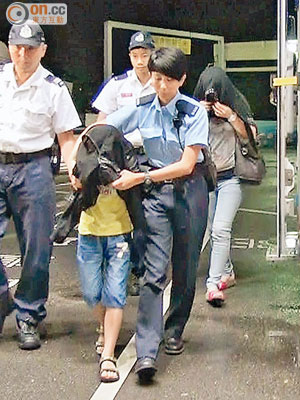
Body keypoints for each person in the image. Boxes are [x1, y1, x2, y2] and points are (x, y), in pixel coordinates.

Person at [103, 47, 209, 381]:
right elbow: (105, 126)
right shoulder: (142, 107)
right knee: (152, 270)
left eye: (168, 80)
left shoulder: (194, 112)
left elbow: (187, 164)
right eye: (156, 78)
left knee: (185, 265)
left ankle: (175, 327)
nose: (161, 86)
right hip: (155, 196)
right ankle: (147, 351)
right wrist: (88, 154)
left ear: (182, 80)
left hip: (189, 191)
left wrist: (141, 177)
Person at [0, 20, 81, 350]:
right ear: (9, 47)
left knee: (36, 248)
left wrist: (75, 168)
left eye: (31, 48)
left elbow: (67, 138)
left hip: (33, 169)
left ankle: (29, 315)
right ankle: (4, 298)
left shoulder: (54, 88)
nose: (23, 53)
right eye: (17, 46)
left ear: (43, 50)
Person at [91, 31, 155, 353]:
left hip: (149, 157)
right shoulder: (118, 85)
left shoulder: (159, 81)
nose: (139, 58)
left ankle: (139, 269)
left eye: (144, 52)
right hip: (120, 157)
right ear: (129, 56)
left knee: (142, 215)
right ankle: (123, 267)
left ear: (152, 54)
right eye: (135, 53)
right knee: (118, 215)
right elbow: (103, 121)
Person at [193, 65, 257, 307]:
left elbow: (250, 140)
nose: (213, 98)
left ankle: (213, 285)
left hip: (231, 179)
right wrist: (197, 113)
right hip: (206, 181)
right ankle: (227, 272)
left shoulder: (237, 105)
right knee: (212, 230)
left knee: (220, 229)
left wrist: (231, 116)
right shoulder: (193, 108)